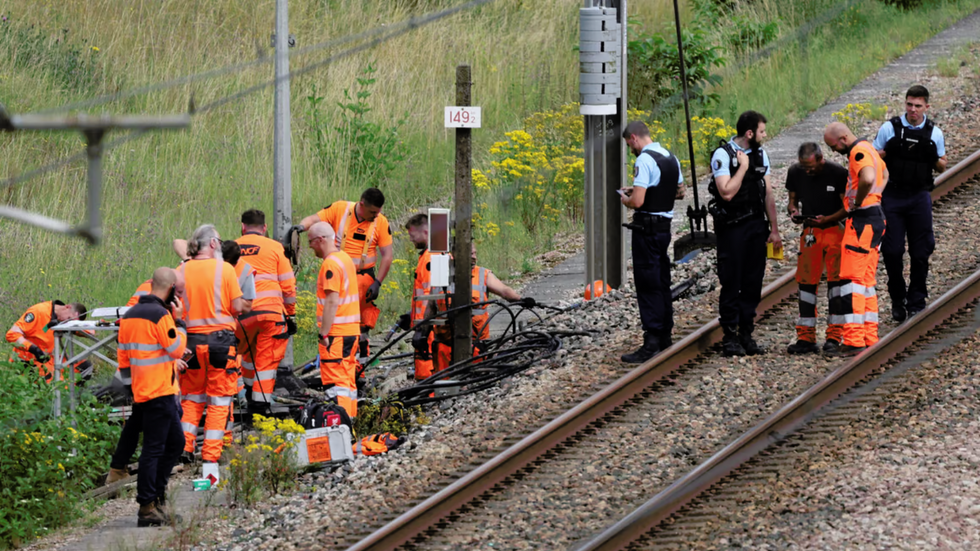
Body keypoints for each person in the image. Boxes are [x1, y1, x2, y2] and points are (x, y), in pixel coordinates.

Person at [113, 267, 187, 527]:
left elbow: (123, 358)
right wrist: (180, 323)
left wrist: (133, 389)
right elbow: (176, 349)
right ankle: (147, 507)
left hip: (144, 391)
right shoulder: (161, 315)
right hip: (160, 392)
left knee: (175, 443)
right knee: (155, 450)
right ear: (168, 290)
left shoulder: (130, 315)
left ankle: (155, 497)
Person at [708, 110, 782, 356]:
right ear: (749, 133)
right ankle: (730, 336)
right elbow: (726, 192)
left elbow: (768, 193)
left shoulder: (761, 154)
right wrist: (743, 168)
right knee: (732, 281)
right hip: (732, 228)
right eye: (762, 131)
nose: (765, 135)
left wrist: (774, 229)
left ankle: (746, 333)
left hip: (755, 225)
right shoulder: (724, 155)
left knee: (752, 281)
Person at [873, 85, 947, 321]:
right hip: (892, 196)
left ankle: (917, 299)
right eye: (909, 105)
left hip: (919, 196)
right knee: (892, 251)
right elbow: (872, 159)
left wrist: (932, 156)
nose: (912, 110)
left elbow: (942, 165)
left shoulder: (934, 132)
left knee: (920, 251)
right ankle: (897, 299)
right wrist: (888, 151)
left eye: (917, 106)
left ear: (926, 106)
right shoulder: (890, 128)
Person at [177, 224, 246, 465]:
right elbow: (237, 307)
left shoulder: (181, 270)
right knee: (219, 400)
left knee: (192, 397)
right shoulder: (225, 269)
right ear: (214, 244)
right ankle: (211, 455)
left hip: (191, 344)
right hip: (221, 343)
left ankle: (184, 447)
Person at [299, 188, 394, 361]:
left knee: (362, 328)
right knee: (335, 323)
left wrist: (378, 282)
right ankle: (337, 358)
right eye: (373, 212)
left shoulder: (380, 222)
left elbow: (387, 256)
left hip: (364, 280)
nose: (375, 216)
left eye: (378, 212)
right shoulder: (340, 209)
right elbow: (313, 220)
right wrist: (298, 228)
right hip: (339, 277)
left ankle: (360, 371)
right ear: (362, 204)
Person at [619, 120, 683, 363]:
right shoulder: (670, 157)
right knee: (661, 278)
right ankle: (665, 332)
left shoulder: (644, 160)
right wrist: (637, 189)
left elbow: (637, 202)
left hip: (646, 228)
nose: (630, 149)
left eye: (629, 145)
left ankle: (652, 339)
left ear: (634, 138)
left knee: (647, 281)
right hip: (664, 228)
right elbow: (680, 191)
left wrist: (626, 198)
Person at [824, 122, 888, 356]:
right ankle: (869, 335)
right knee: (866, 282)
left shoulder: (857, 152)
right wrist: (875, 197)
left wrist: (859, 201)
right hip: (875, 217)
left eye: (833, 146)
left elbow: (868, 177)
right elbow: (884, 173)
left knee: (851, 281)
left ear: (842, 138)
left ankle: (853, 340)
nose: (833, 151)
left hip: (862, 221)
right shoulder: (870, 148)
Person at [786, 143, 849, 355]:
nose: (807, 171)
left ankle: (834, 337)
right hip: (811, 233)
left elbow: (847, 207)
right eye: (804, 167)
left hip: (834, 231)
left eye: (811, 167)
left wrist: (828, 219)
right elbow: (792, 200)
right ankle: (805, 337)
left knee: (836, 284)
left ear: (821, 158)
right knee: (805, 283)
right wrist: (794, 211)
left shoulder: (838, 173)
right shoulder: (795, 172)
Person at [427, 243, 529, 374]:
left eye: (475, 253)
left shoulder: (482, 274)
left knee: (475, 381)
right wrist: (422, 334)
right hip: (444, 348)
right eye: (470, 254)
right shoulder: (441, 273)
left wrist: (521, 300)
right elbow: (430, 306)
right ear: (455, 255)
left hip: (475, 346)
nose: (474, 257)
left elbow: (504, 290)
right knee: (443, 386)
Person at [235, 209, 297, 412]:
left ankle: (247, 392)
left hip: (241, 316)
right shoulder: (275, 247)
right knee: (266, 360)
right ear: (264, 228)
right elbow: (288, 285)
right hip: (270, 314)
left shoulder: (232, 248)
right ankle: (260, 405)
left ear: (243, 227)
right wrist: (290, 314)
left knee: (246, 356)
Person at [308, 222, 361, 419]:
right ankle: (351, 422)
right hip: (351, 331)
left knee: (336, 383)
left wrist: (324, 333)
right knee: (347, 382)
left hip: (336, 334)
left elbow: (332, 300)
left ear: (320, 240)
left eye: (311, 242)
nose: (310, 246)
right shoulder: (345, 258)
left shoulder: (330, 264)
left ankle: (340, 427)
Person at [6, 300, 89, 383]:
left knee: (85, 367)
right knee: (52, 383)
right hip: (28, 361)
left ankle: (77, 392)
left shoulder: (62, 320)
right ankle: (68, 392)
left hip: (47, 359)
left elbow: (91, 331)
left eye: (71, 322)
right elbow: (12, 334)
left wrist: (99, 324)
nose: (67, 323)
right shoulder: (39, 311)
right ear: (67, 307)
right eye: (68, 319)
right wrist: (33, 349)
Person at [404, 213, 435, 381]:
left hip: (429, 330)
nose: (411, 240)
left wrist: (423, 329)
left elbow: (433, 296)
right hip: (426, 326)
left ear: (425, 232)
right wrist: (411, 316)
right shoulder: (426, 257)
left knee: (428, 373)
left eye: (412, 235)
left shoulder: (431, 258)